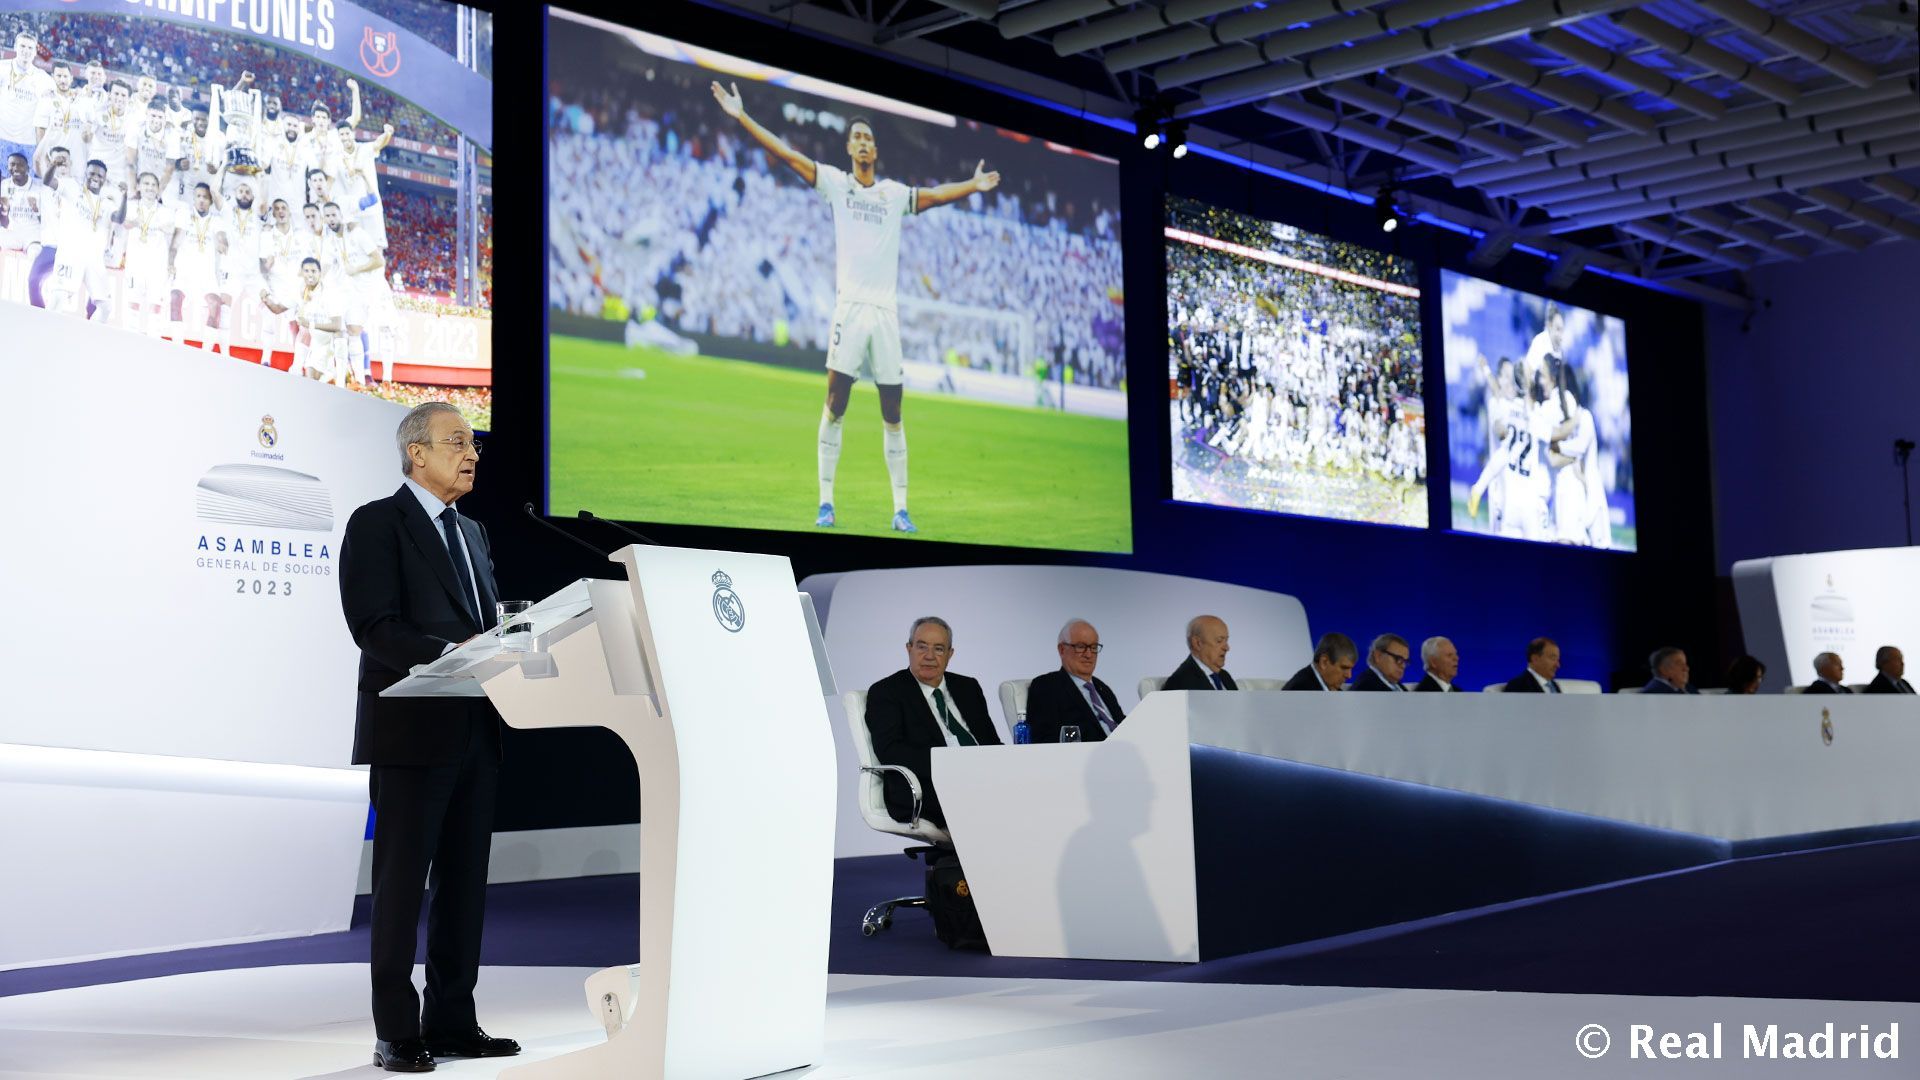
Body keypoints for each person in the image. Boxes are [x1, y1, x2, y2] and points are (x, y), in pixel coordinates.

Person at [712, 80, 1001, 535]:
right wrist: (742, 117)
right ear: (848, 148)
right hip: (850, 309)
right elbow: (787, 156)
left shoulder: (891, 195)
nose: (864, 143)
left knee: (893, 413)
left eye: (869, 138)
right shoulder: (835, 184)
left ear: (875, 150)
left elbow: (935, 195)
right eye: (858, 137)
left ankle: (901, 508)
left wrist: (973, 185)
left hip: (885, 314)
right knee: (835, 403)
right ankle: (826, 503)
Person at [339, 402, 520, 1072]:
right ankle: (397, 1031)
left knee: (464, 887)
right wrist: (455, 647)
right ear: (416, 452)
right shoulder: (377, 523)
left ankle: (451, 1021)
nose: (471, 455)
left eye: (473, 445)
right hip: (412, 731)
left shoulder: (472, 531)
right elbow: (374, 625)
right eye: (456, 443)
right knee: (400, 887)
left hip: (477, 726)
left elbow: (485, 624)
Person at [863, 616, 1003, 829]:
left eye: (938, 649)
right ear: (908, 649)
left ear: (950, 654)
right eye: (921, 647)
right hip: (930, 786)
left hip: (981, 779)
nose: (929, 656)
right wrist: (951, 766)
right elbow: (890, 750)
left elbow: (990, 742)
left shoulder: (968, 687)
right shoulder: (887, 692)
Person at [1024, 618, 1125, 744]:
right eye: (1081, 647)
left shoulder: (1102, 688)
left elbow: (1123, 726)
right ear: (1062, 649)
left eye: (1093, 647)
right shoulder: (1046, 686)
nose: (1089, 654)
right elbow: (1043, 738)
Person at [1164, 615, 1236, 690]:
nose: (1227, 648)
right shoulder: (1180, 681)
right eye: (1219, 641)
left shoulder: (1225, 676)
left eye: (1226, 641)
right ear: (1197, 643)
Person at [1283, 632, 1357, 691]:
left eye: (1351, 669)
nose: (1349, 675)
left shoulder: (1330, 688)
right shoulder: (1300, 689)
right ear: (1324, 662)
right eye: (1344, 668)